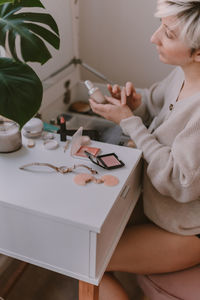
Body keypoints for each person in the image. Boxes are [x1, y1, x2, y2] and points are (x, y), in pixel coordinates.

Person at [89, 0, 200, 299]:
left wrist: (130, 123)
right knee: (86, 237)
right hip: (158, 209)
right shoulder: (183, 74)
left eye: (168, 34)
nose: (154, 38)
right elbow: (158, 101)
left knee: (86, 263)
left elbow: (180, 182)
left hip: (185, 229)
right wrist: (137, 104)